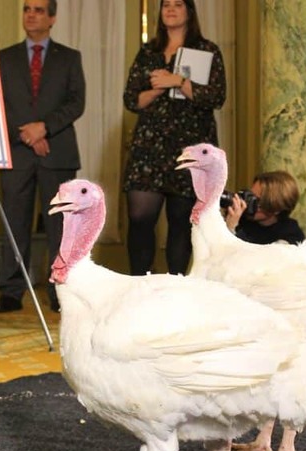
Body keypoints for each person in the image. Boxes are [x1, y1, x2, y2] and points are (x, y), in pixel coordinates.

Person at [0, 0, 85, 314]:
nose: (31, 14)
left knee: (59, 227)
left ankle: (59, 291)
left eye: (39, 10)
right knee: (14, 223)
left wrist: (44, 128)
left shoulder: (70, 58)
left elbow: (76, 103)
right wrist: (28, 135)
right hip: (16, 153)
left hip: (57, 153)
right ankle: (12, 291)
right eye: (27, 9)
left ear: (53, 18)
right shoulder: (2, 58)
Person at [123, 0, 226, 275]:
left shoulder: (207, 50)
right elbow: (131, 99)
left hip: (190, 145)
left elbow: (216, 97)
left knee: (181, 222)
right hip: (150, 146)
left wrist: (178, 81)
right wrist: (159, 87)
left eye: (177, 4)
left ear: (189, 11)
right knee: (139, 217)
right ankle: (139, 287)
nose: (170, 9)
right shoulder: (149, 51)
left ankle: (176, 290)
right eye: (165, 4)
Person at [223, 171, 304, 245]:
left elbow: (260, 258)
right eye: (250, 196)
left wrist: (230, 231)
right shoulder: (242, 220)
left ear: (277, 209)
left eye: (256, 200)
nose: (249, 203)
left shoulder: (290, 234)